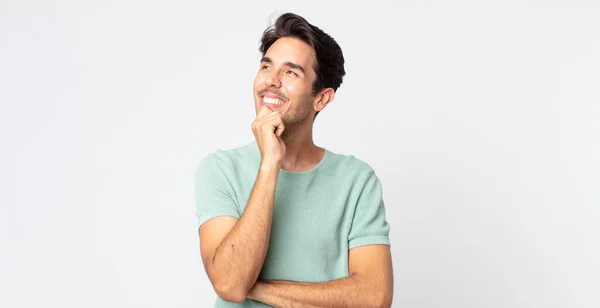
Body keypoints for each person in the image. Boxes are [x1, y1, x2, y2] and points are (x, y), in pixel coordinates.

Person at [195, 12, 393, 307]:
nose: (271, 82)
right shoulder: (221, 169)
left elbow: (374, 297)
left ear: (321, 98)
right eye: (266, 67)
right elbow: (230, 284)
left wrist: (258, 288)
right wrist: (269, 165)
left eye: (291, 72)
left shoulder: (356, 181)